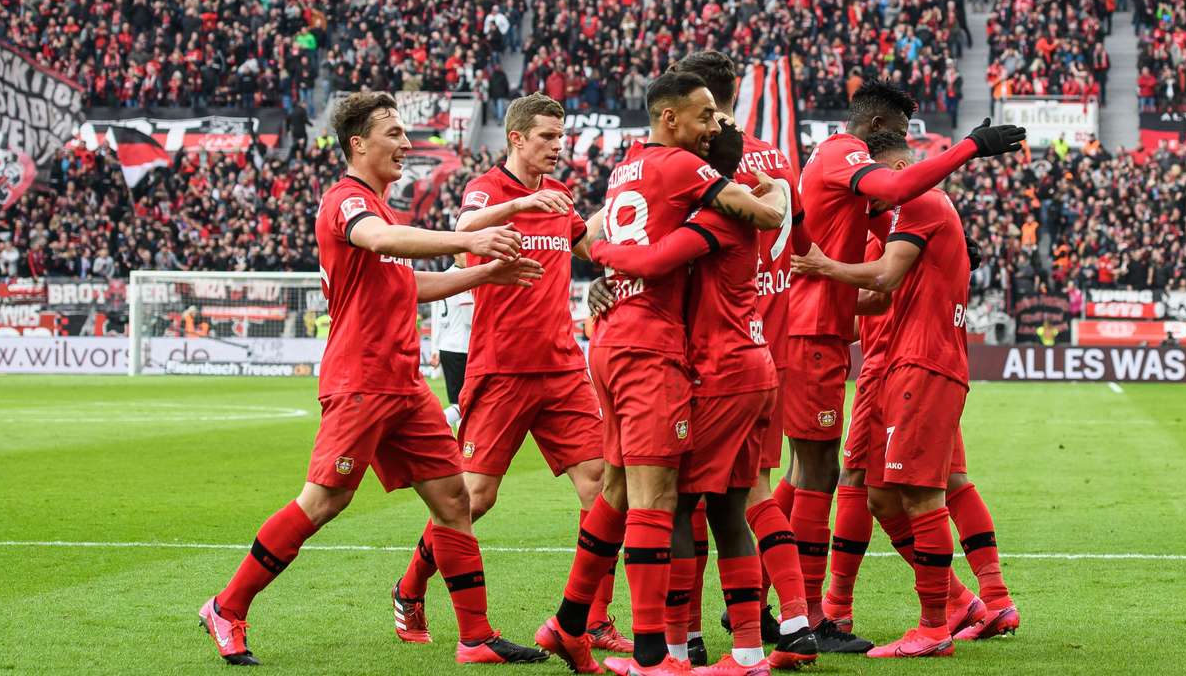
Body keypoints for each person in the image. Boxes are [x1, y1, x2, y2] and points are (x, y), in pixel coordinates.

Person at [199, 91, 550, 667]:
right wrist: (469, 240)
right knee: (324, 501)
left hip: (404, 383)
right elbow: (380, 241)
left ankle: (476, 637)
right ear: (358, 143)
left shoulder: (382, 209)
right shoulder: (346, 201)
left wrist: (489, 272)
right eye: (393, 133)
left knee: (454, 501)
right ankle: (227, 607)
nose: (406, 144)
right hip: (360, 379)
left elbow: (406, 288)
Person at [535, 70, 787, 676]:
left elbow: (586, 236)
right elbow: (765, 214)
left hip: (611, 341)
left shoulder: (630, 166)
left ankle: (570, 624)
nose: (711, 128)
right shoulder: (684, 169)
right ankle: (654, 658)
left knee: (619, 490)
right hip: (654, 350)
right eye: (704, 116)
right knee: (661, 500)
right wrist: (777, 184)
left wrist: (605, 269)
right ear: (670, 118)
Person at [778, 81, 1023, 653]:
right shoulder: (864, 195)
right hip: (890, 362)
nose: (882, 196)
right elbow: (880, 290)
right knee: (881, 488)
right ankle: (975, 600)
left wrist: (818, 269)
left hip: (910, 362)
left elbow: (883, 279)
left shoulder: (905, 201)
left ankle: (878, 615)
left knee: (869, 484)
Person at [394, 95, 610, 649]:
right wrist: (521, 206)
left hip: (563, 365)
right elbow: (465, 226)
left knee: (602, 488)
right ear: (516, 138)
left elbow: (588, 243)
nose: (557, 146)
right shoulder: (489, 189)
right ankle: (411, 589)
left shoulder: (559, 195)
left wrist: (631, 207)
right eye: (546, 137)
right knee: (474, 498)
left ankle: (590, 618)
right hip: (503, 368)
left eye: (560, 137)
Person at [671, 51, 813, 658]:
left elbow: (662, 252)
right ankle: (794, 620)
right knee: (753, 489)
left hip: (709, 350)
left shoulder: (696, 166)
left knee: (689, 499)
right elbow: (803, 246)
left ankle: (689, 637)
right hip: (767, 346)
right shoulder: (777, 161)